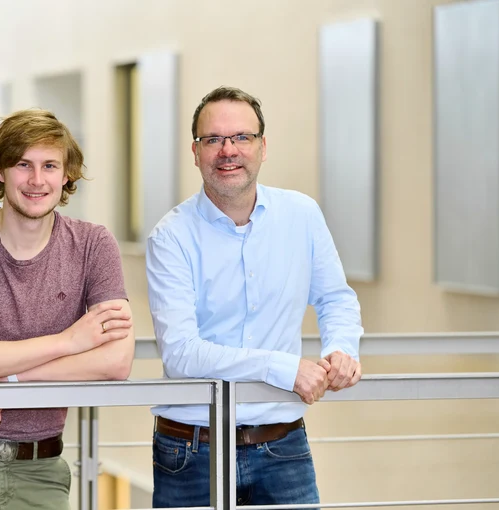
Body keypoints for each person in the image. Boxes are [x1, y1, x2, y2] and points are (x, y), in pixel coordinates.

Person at [145, 86, 363, 507]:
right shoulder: (170, 237)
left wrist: (341, 348)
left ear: (263, 147)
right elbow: (181, 353)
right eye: (214, 140)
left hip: (282, 444)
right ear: (195, 151)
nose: (228, 150)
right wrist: (283, 369)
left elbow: (335, 297)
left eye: (242, 137)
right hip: (190, 451)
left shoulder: (302, 215)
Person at [0, 108, 135, 510]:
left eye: (50, 165)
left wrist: (8, 380)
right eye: (23, 164)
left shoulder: (93, 246)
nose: (37, 180)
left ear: (67, 173)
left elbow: (117, 360)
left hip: (41, 467)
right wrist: (69, 341)